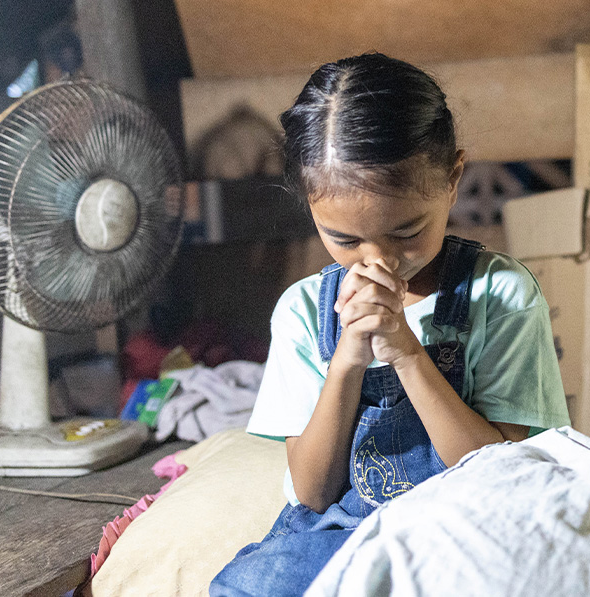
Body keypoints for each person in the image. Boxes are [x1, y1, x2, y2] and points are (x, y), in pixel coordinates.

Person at [209, 52, 569, 596]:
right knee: (251, 583)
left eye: (406, 232)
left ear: (453, 180)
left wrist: (405, 350)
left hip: (466, 527)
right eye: (346, 240)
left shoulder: (500, 295)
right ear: (309, 207)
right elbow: (311, 492)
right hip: (342, 530)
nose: (377, 260)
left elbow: (502, 477)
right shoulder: (305, 311)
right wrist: (348, 359)